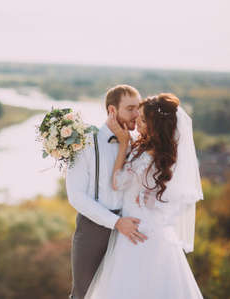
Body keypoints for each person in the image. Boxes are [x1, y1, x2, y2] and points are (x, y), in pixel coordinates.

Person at [85, 93, 204, 299]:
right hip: (151, 228)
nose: (136, 122)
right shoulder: (160, 152)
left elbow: (117, 183)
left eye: (142, 119)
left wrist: (123, 144)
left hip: (137, 232)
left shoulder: (149, 155)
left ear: (154, 124)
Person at [65, 85, 148, 299]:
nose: (137, 114)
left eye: (138, 108)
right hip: (94, 230)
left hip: (131, 230)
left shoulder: (137, 144)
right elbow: (76, 196)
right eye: (130, 108)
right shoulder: (85, 144)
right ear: (112, 110)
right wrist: (116, 222)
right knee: (84, 294)